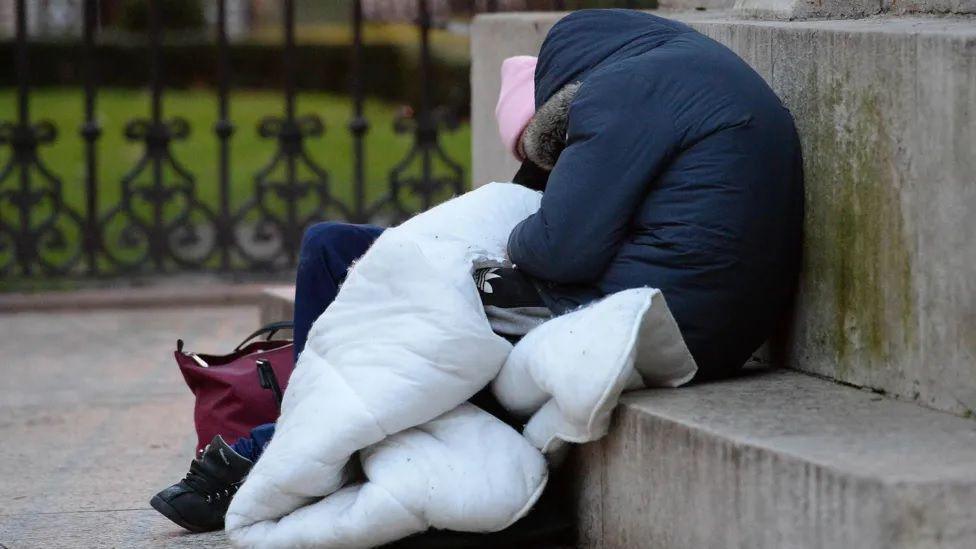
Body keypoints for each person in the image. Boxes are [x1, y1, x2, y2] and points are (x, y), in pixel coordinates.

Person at [151, 8, 803, 534]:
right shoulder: (678, 74)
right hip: (694, 313)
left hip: (648, 312)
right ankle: (304, 422)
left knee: (430, 314)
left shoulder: (623, 93)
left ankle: (272, 449)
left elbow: (558, 249)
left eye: (551, 149)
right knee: (338, 250)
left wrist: (502, 235)